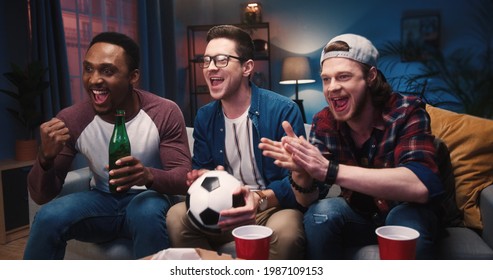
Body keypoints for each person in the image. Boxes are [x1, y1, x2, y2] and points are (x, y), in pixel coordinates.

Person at [259, 33, 444, 259]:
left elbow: (421, 185)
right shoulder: (325, 121)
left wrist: (330, 170)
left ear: (371, 76)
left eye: (343, 76)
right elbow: (307, 199)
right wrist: (302, 172)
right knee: (321, 214)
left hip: (407, 212)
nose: (332, 88)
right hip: (359, 217)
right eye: (326, 79)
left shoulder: (407, 111)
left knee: (403, 220)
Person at [24, 32, 191, 259]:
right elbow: (42, 196)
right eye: (88, 69)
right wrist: (45, 158)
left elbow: (184, 178)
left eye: (107, 71)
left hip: (149, 199)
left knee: (145, 211)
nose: (94, 80)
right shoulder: (72, 119)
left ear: (133, 77)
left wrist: (147, 175)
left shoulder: (163, 112)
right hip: (101, 201)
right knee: (48, 216)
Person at [166, 25, 306, 259]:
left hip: (270, 207)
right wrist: (201, 176)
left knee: (288, 231)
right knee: (176, 216)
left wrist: (260, 199)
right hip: (222, 208)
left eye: (221, 60)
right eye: (206, 60)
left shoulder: (284, 110)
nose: (210, 67)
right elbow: (202, 169)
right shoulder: (204, 116)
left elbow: (297, 182)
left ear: (247, 67)